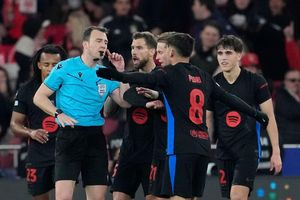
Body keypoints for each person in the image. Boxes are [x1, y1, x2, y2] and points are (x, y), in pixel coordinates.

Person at [96, 32, 269, 199]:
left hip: (179, 147)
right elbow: (229, 98)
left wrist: (116, 74)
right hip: (202, 146)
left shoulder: (168, 73)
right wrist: (255, 113)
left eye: (163, 51)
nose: (159, 56)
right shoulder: (204, 76)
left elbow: (144, 78)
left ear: (172, 52)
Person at [33, 26, 130, 200]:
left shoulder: (108, 74)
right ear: (86, 44)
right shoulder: (65, 67)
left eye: (105, 42)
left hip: (95, 138)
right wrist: (57, 113)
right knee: (63, 197)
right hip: (69, 136)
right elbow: (39, 97)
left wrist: (121, 72)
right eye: (98, 41)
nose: (103, 45)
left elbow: (125, 102)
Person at [207, 35, 282, 199]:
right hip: (223, 152)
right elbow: (209, 118)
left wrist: (275, 151)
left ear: (239, 55)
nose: (223, 58)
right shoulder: (213, 84)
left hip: (248, 150)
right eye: (220, 53)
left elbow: (269, 117)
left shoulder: (255, 81)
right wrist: (206, 144)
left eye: (228, 53)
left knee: (237, 196)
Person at [108, 31, 164, 200]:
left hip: (155, 152)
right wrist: (118, 75)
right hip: (129, 151)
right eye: (132, 47)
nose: (134, 51)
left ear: (152, 51)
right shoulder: (128, 77)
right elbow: (109, 111)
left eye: (139, 47)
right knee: (118, 197)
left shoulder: (163, 77)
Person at [10, 44, 68, 200]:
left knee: (63, 196)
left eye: (55, 65)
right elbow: (15, 124)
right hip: (38, 155)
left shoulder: (70, 88)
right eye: (46, 64)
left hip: (64, 153)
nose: (50, 69)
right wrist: (31, 132)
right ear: (39, 65)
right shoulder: (26, 90)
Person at [275, 69, 300, 144]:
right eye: (293, 80)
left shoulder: (296, 96)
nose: (297, 83)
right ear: (285, 82)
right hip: (288, 138)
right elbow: (291, 112)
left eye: (299, 80)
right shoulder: (280, 95)